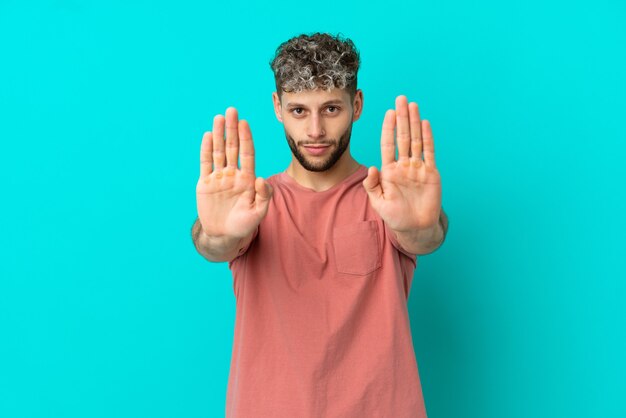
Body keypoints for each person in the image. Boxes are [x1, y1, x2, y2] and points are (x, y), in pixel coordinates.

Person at [191, 32, 449, 418]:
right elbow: (216, 244)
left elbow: (426, 236)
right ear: (278, 107)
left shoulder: (387, 197)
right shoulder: (254, 204)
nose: (314, 131)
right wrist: (217, 234)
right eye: (299, 110)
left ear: (356, 105)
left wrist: (418, 228)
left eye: (330, 109)